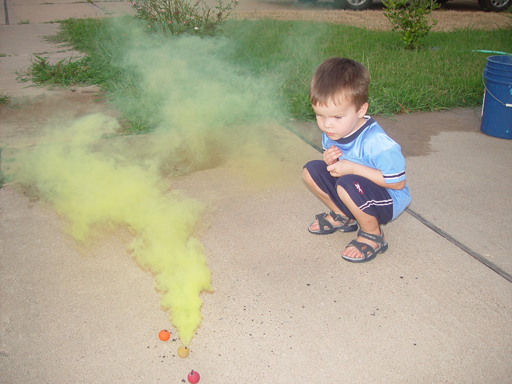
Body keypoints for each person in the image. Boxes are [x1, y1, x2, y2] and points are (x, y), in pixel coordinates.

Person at [303, 57, 411, 263]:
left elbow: (398, 183)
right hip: (354, 188)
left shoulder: (377, 143)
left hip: (387, 199)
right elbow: (337, 168)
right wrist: (330, 160)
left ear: (361, 110)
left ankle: (373, 235)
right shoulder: (332, 131)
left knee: (346, 184)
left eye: (336, 117)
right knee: (311, 171)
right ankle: (343, 216)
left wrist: (352, 168)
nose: (327, 125)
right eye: (319, 115)